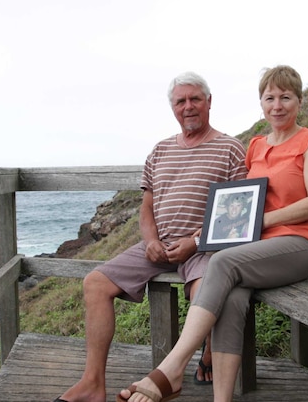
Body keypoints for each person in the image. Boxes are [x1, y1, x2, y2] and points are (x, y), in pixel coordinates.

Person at [117, 65, 308, 402]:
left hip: (296, 245)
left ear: (299, 101)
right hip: (255, 249)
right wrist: (213, 230)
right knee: (232, 298)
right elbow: (237, 203)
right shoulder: (256, 146)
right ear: (262, 104)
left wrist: (261, 221)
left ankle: (171, 367)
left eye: (285, 97)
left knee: (221, 264)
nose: (277, 105)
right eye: (270, 98)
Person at [54, 72, 247, 402]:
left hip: (205, 247)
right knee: (95, 283)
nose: (188, 107)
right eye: (180, 101)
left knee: (209, 295)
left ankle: (181, 371)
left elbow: (237, 211)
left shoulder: (230, 148)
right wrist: (151, 240)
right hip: (158, 245)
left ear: (209, 102)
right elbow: (147, 207)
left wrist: (196, 241)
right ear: (172, 107)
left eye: (195, 99)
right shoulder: (159, 150)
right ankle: (92, 383)